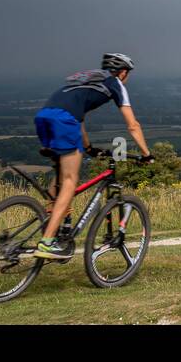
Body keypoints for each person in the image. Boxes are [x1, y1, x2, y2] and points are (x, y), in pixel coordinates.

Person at [32, 52, 153, 259]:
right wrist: (147, 154)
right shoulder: (116, 84)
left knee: (61, 176)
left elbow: (77, 118)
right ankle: (47, 242)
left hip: (44, 117)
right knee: (71, 181)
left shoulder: (84, 81)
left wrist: (88, 148)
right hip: (64, 121)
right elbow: (133, 125)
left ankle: (51, 219)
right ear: (123, 73)